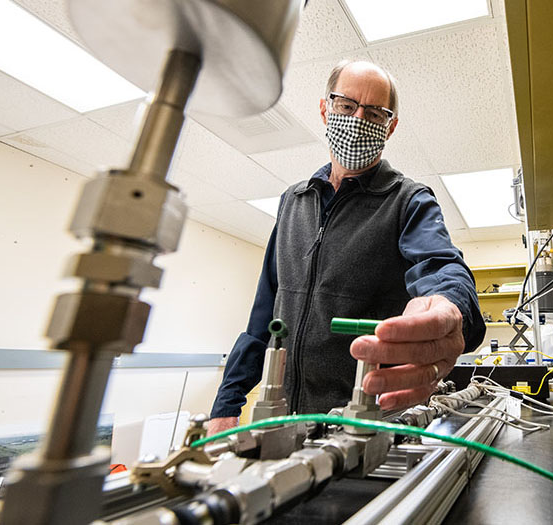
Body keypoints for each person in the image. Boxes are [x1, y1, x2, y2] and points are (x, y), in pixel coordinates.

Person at [208, 60, 485, 435]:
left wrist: (452, 306)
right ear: (326, 108)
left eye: (374, 113)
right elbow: (263, 315)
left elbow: (441, 267)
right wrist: (228, 401)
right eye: (346, 106)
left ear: (391, 126)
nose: (358, 120)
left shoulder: (408, 201)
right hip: (284, 419)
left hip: (369, 424)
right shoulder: (294, 201)